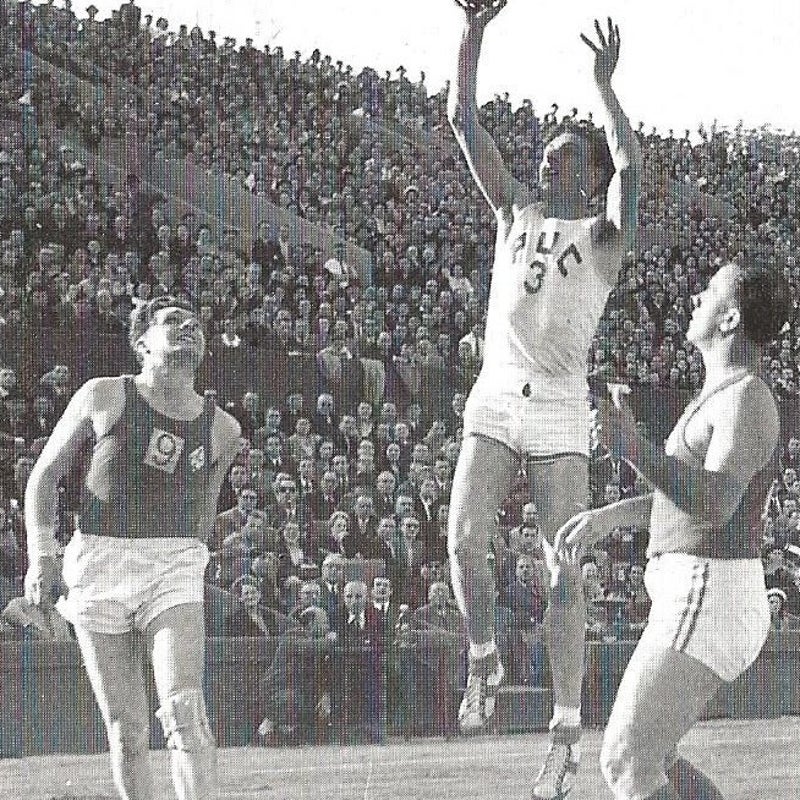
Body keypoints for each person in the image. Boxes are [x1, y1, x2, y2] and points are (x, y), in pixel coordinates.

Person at [446, 3, 641, 796]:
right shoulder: (514, 214)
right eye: (549, 153)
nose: (547, 160)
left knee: (566, 570)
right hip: (498, 391)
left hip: (562, 404)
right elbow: (462, 119)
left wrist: (604, 89)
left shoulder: (603, 236)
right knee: (464, 540)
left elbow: (632, 164)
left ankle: (566, 722)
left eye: (564, 155)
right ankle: (484, 656)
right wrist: (474, 31)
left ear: (588, 174)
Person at [550, 262, 790, 800]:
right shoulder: (724, 393)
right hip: (699, 588)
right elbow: (682, 497)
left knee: (625, 760)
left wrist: (631, 444)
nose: (693, 298)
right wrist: (610, 516)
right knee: (651, 759)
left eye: (706, 291)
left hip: (713, 588)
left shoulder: (747, 398)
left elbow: (714, 502)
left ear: (729, 319)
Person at [23, 295, 241, 800]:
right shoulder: (105, 395)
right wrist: (42, 555)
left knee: (185, 709)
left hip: (172, 565)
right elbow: (43, 479)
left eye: (195, 323)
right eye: (172, 321)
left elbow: (204, 515)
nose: (188, 326)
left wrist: (189, 564)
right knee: (127, 730)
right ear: (141, 344)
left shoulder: (223, 429)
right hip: (98, 562)